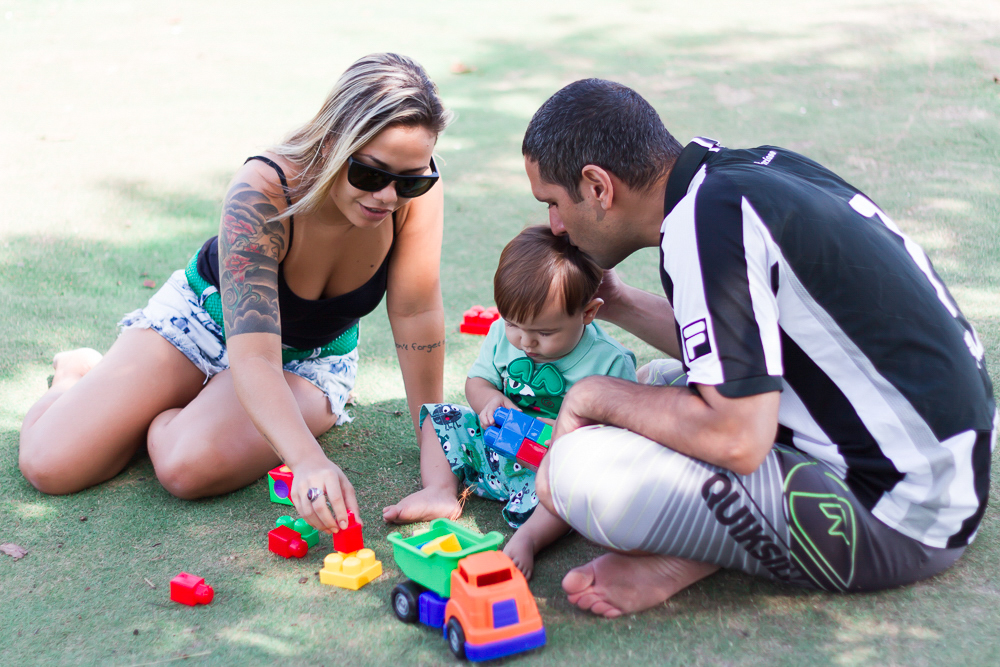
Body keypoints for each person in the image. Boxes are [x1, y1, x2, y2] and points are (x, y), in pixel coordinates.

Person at [519, 78, 997, 618]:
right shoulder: (736, 177)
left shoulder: (704, 226)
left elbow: (738, 437)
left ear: (599, 187)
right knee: (655, 382)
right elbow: (741, 351)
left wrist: (592, 394)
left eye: (554, 204)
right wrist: (622, 301)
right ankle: (709, 543)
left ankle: (696, 551)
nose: (555, 227)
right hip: (941, 457)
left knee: (577, 470)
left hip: (904, 510)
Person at [19, 53, 452, 536]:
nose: (389, 197)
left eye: (411, 180)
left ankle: (173, 410)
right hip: (204, 320)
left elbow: (416, 315)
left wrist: (437, 465)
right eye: (371, 175)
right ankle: (78, 375)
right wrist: (307, 461)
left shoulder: (417, 197)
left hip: (308, 360)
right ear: (333, 142)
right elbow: (254, 356)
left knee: (186, 467)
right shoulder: (263, 188)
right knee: (50, 464)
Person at [383, 225, 637, 579]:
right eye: (514, 324)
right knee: (438, 415)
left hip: (548, 470)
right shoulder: (503, 336)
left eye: (545, 333)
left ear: (588, 312)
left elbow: (621, 438)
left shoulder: (610, 362)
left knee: (576, 485)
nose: (526, 342)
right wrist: (490, 399)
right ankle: (440, 490)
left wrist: (568, 433)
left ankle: (530, 538)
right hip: (494, 447)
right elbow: (477, 382)